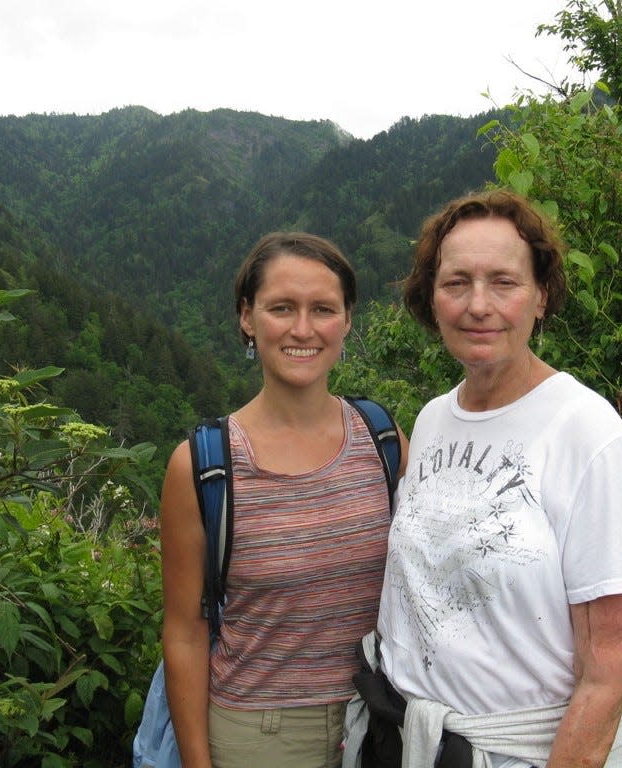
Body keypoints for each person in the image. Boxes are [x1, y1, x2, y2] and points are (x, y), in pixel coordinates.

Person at [353, 190, 622, 768]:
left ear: (541, 295)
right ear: (432, 298)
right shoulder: (437, 418)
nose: (478, 305)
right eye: (456, 283)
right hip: (417, 741)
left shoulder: (586, 433)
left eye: (504, 282)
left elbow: (607, 671)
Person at [159, 232, 408, 768]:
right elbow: (184, 632)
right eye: (281, 308)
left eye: (322, 309)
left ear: (346, 320)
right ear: (247, 318)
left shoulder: (384, 440)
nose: (302, 329)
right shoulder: (204, 465)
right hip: (257, 735)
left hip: (383, 722)